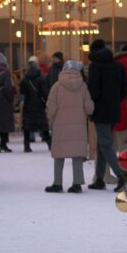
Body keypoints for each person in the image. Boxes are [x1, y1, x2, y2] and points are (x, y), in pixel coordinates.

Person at [86, 39, 127, 192]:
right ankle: (99, 179)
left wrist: (92, 104)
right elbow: (125, 88)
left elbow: (93, 90)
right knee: (101, 143)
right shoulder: (117, 65)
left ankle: (121, 176)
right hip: (114, 108)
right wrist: (115, 100)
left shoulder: (95, 66)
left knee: (104, 143)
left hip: (100, 110)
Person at [45, 59, 93, 193]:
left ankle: (57, 183)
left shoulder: (57, 86)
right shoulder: (83, 86)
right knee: (77, 155)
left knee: (59, 155)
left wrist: (52, 118)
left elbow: (51, 107)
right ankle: (77, 184)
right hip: (79, 127)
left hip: (60, 125)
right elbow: (89, 108)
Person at [21, 56, 51, 152]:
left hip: (28, 104)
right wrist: (46, 101)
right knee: (43, 126)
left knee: (27, 126)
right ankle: (50, 144)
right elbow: (45, 93)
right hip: (39, 104)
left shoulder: (25, 78)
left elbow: (22, 91)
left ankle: (26, 145)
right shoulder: (41, 77)